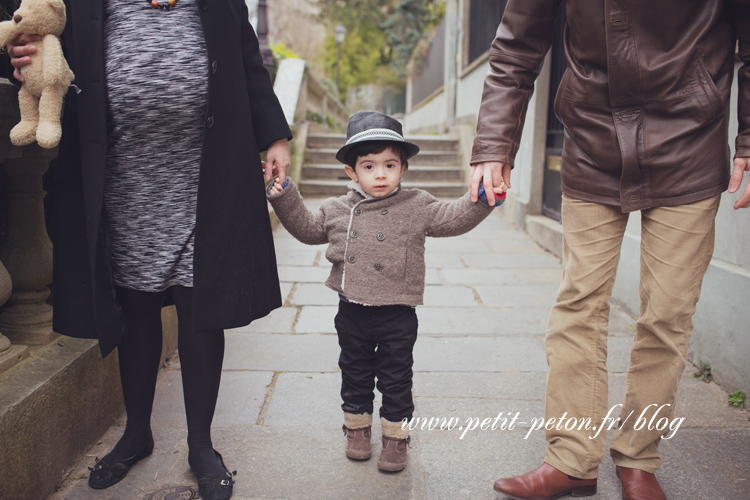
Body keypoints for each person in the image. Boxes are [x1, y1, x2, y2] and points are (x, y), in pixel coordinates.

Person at [5, 1, 291, 499]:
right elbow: (46, 53)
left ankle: (201, 445)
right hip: (122, 176)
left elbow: (247, 58)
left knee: (201, 306)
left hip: (205, 172)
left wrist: (274, 135)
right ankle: (137, 433)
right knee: (135, 304)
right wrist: (24, 56)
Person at [469, 2, 750, 500]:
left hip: (690, 140)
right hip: (592, 140)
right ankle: (571, 459)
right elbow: (516, 46)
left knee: (668, 312)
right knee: (578, 301)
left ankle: (638, 458)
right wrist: (494, 143)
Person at [266, 110, 501, 472]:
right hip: (353, 311)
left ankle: (396, 437)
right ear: (352, 172)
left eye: (390, 165)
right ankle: (357, 430)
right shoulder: (336, 208)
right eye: (369, 166)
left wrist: (483, 199)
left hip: (397, 312)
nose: (380, 174)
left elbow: (453, 218)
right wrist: (284, 196)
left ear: (403, 168)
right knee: (355, 373)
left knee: (396, 377)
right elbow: (308, 230)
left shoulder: (417, 205)